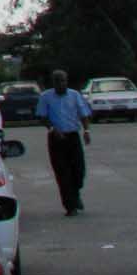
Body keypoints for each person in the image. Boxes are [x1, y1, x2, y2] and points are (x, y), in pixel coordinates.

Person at [34, 69, 94, 215]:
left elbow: (84, 114)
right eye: (58, 81)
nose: (61, 84)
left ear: (67, 81)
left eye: (63, 80)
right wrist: (53, 129)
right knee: (62, 173)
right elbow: (41, 116)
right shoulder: (45, 97)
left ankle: (75, 193)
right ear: (53, 82)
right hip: (56, 139)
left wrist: (86, 131)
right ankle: (70, 206)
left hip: (73, 136)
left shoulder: (74, 95)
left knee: (79, 171)